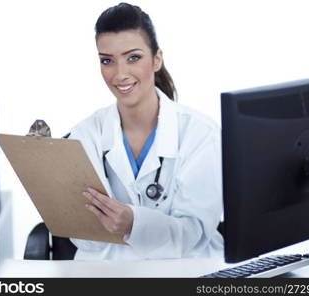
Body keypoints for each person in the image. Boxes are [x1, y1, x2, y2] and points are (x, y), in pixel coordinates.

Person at [68, 2, 223, 260]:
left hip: (185, 272)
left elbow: (195, 233)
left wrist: (133, 224)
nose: (120, 74)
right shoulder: (85, 136)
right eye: (107, 61)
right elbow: (84, 237)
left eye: (133, 58)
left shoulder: (200, 134)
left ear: (157, 59)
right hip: (108, 276)